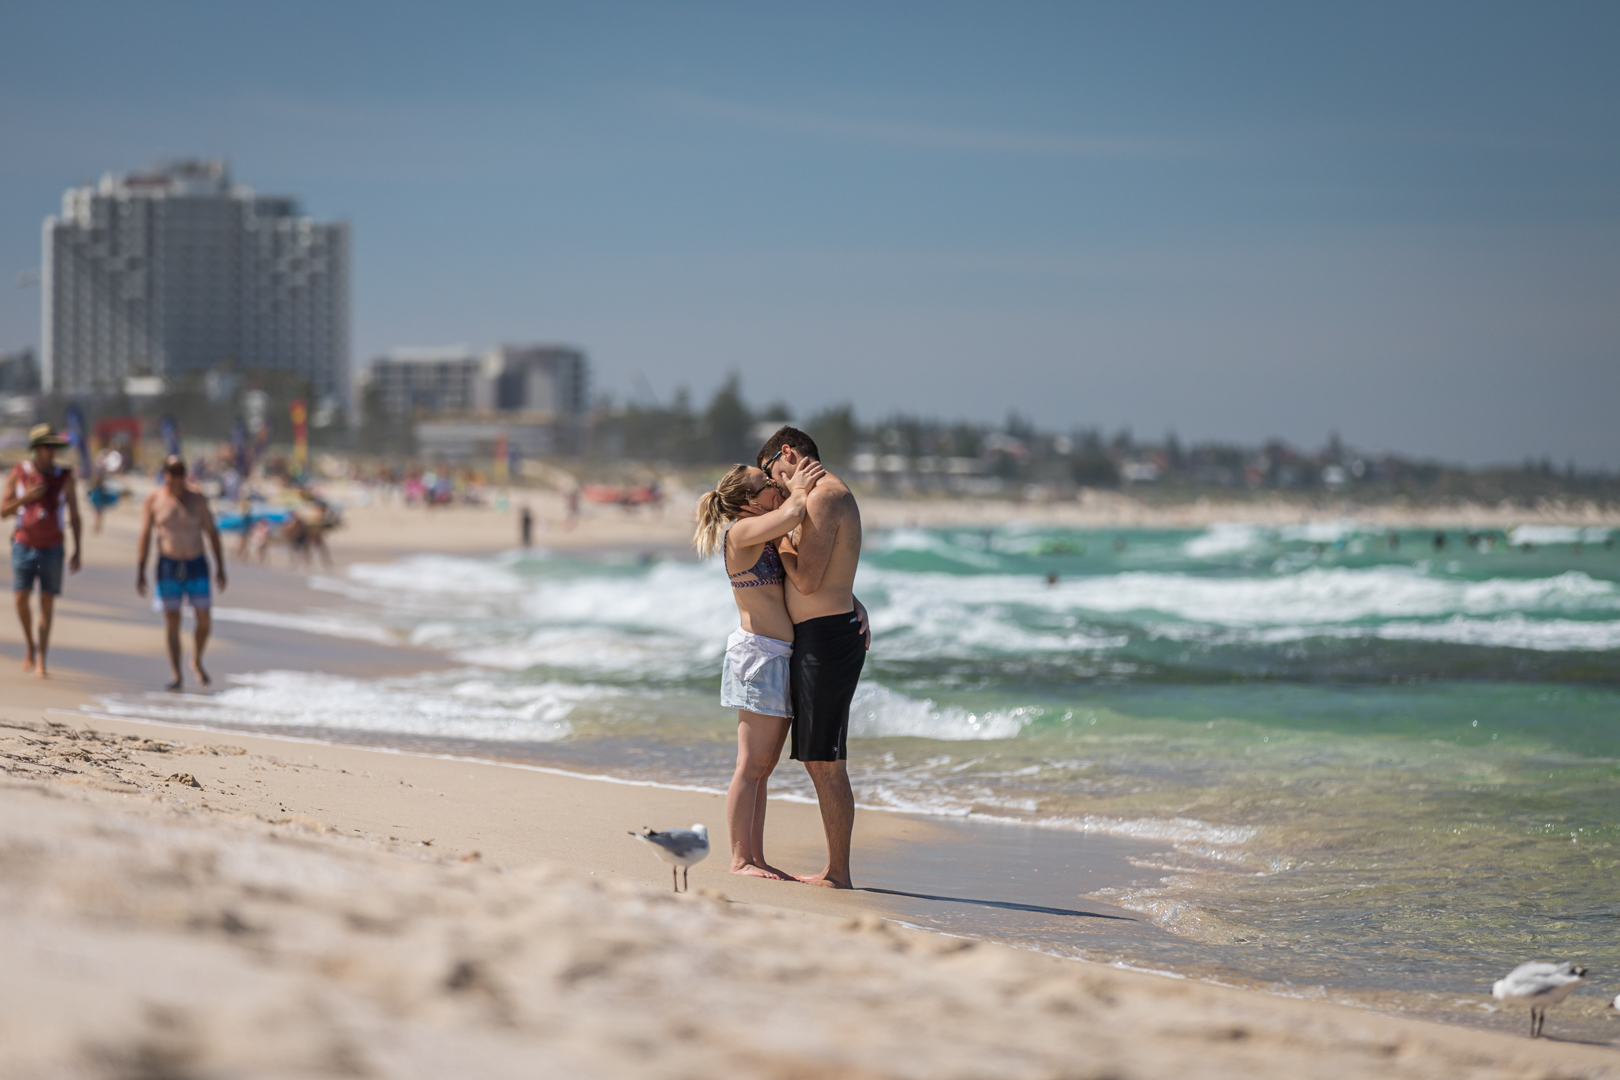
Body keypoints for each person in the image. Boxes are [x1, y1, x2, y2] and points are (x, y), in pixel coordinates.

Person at [693, 458, 827, 880]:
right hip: (758, 656)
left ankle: (756, 856)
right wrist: (800, 486)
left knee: (762, 770)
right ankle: (739, 859)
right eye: (766, 483)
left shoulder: (766, 532)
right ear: (748, 503)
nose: (775, 486)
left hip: (777, 655)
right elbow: (792, 512)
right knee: (750, 765)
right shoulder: (741, 531)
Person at [758, 426, 870, 889]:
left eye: (773, 474)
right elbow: (832, 570)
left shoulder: (822, 496)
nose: (776, 484)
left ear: (788, 454)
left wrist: (781, 535)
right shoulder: (819, 495)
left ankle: (838, 872)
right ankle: (835, 868)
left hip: (826, 640)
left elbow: (806, 580)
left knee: (826, 760)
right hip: (822, 634)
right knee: (818, 758)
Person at [137, 456, 227, 690]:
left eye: (180, 472)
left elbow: (212, 532)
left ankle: (196, 659)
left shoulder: (197, 498)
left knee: (204, 618)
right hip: (167, 564)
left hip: (196, 563)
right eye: (172, 472)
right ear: (164, 473)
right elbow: (145, 536)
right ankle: (176, 674)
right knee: (172, 621)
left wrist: (221, 568)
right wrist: (140, 570)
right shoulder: (154, 499)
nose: (176, 477)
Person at [3, 424, 82, 678]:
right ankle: (29, 645)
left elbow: (75, 514)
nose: (52, 451)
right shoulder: (19, 473)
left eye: (54, 447)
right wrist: (26, 498)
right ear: (36, 448)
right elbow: (3, 511)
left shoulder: (64, 476)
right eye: (48, 446)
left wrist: (78, 549)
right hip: (23, 544)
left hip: (53, 547)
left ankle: (41, 660)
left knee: (47, 604)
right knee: (20, 599)